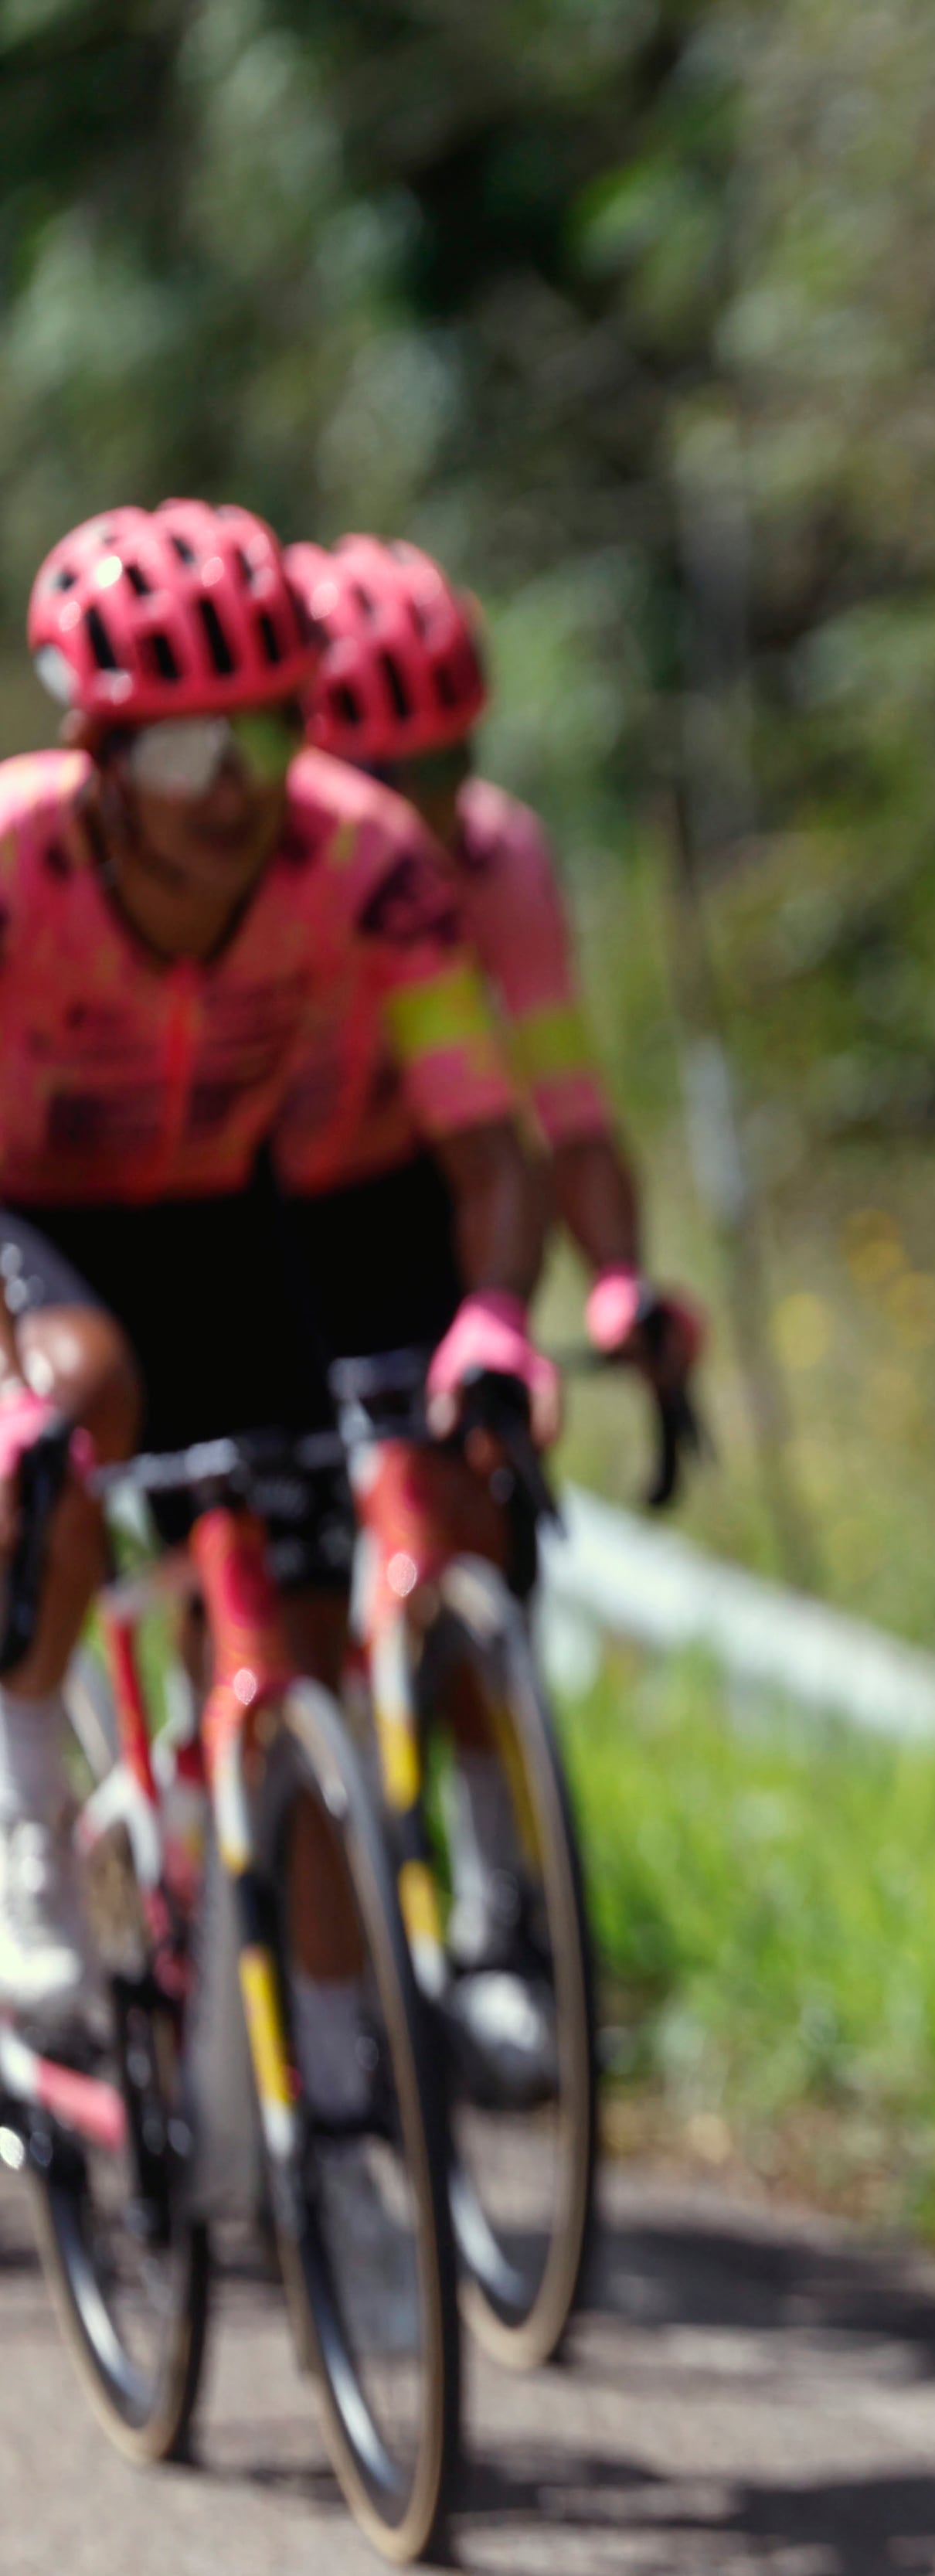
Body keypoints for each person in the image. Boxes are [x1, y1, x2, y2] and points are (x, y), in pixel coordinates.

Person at [0, 502, 546, 2093]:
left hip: (229, 1223)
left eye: (260, 731)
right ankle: (28, 1830)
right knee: (79, 1395)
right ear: (96, 756)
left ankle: (327, 2073)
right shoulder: (16, 861)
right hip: (29, 1218)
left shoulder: (366, 861)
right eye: (180, 754)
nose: (232, 791)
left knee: (296, 1655)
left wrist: (495, 1310)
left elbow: (484, 1138)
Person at [283, 533, 707, 1397]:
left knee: (470, 1451)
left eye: (446, 765)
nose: (419, 814)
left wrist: (619, 1278)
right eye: (379, 779)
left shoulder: (497, 858)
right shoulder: (242, 882)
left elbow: (566, 1102)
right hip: (238, 1207)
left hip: (409, 1189)